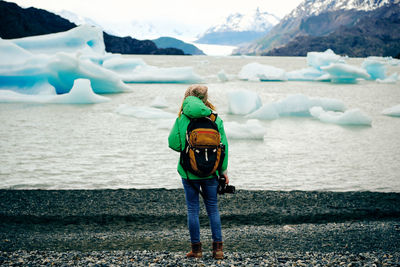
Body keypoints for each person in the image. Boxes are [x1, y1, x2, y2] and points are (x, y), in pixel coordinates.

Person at [168, 84, 229, 259]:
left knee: (193, 209)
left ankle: (196, 250)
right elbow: (223, 147)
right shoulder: (215, 118)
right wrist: (223, 171)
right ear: (205, 97)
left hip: (189, 172)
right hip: (211, 172)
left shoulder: (182, 117)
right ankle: (218, 250)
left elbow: (174, 143)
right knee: (213, 209)